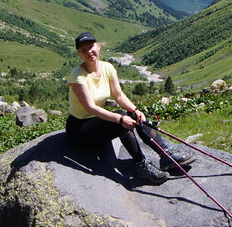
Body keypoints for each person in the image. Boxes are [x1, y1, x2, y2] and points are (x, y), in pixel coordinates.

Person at [65, 31, 195, 184]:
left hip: (98, 122)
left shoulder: (107, 68)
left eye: (91, 46)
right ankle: (142, 164)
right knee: (121, 118)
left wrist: (135, 110)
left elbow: (118, 95)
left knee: (134, 115)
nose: (89, 52)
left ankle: (166, 155)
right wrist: (120, 118)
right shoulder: (77, 76)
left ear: (98, 46)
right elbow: (91, 108)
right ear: (79, 53)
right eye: (83, 50)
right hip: (80, 129)